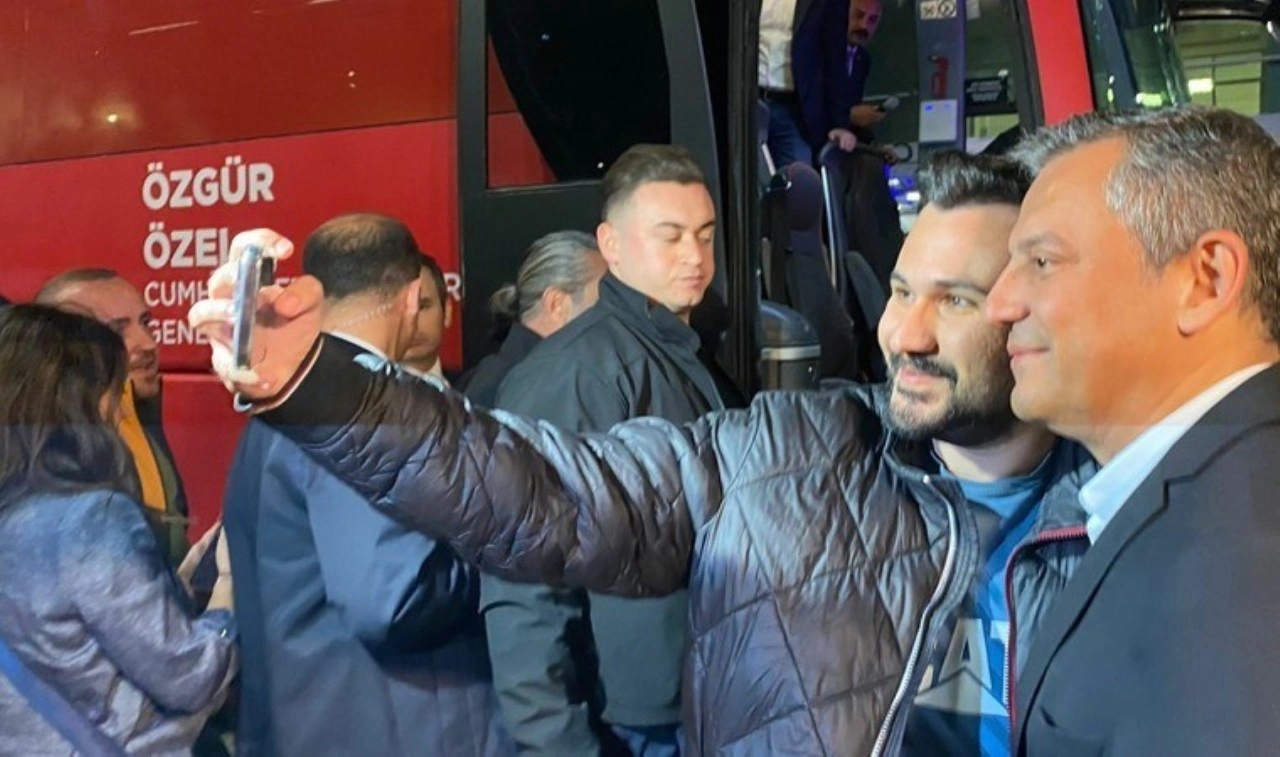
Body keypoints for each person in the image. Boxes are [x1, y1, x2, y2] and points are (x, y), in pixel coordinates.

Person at [190, 151, 1094, 756]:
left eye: (956, 299)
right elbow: (545, 494)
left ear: (1031, 310)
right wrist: (322, 381)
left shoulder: (1127, 497)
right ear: (612, 244)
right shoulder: (797, 448)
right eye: (898, 289)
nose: (906, 331)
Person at [984, 107, 1280, 755]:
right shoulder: (1210, 499)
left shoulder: (1245, 562)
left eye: (1042, 261)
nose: (999, 304)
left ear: (1206, 281)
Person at [222, 214, 510, 757]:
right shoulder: (367, 404)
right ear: (412, 297)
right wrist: (501, 558)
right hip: (404, 727)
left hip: (311, 722)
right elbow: (394, 601)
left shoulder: (279, 405)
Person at [482, 146, 726, 757]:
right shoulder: (575, 373)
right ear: (610, 245)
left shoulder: (680, 351)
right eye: (670, 236)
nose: (695, 256)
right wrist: (556, 741)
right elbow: (525, 578)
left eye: (705, 234)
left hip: (693, 690)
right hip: (631, 717)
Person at [0, 304, 236, 754]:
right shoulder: (89, 520)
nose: (119, 407)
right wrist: (226, 594)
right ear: (81, 401)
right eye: (113, 389)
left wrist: (172, 587)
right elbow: (189, 676)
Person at [35, 269, 191, 564]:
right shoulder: (46, 454)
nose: (148, 344)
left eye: (145, 323)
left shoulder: (138, 416)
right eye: (117, 332)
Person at [458, 230, 605, 407]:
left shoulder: (507, 374)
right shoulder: (509, 384)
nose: (614, 314)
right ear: (556, 304)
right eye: (605, 300)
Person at [758, 0, 860, 166]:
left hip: (795, 111)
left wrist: (839, 123)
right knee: (745, 176)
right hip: (749, 104)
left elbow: (834, 57)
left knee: (799, 177)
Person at [401, 253, 452, 380]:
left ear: (447, 311)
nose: (412, 321)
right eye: (400, 309)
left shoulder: (478, 385)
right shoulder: (356, 389)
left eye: (422, 306)